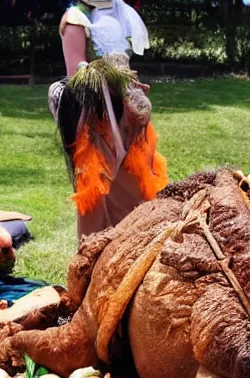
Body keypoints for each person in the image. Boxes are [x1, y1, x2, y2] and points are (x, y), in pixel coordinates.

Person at [48, 0, 168, 239]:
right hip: (99, 120)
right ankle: (102, 261)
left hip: (126, 114)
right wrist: (109, 72)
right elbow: (77, 78)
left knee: (137, 186)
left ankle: (138, 246)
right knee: (104, 190)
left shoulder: (120, 12)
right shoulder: (76, 19)